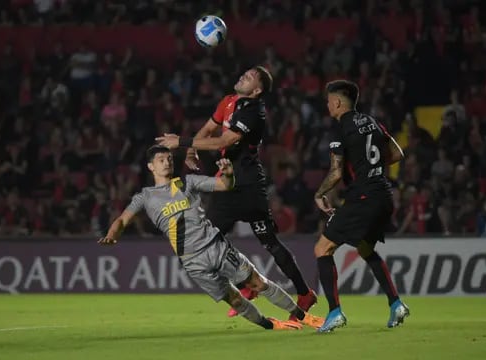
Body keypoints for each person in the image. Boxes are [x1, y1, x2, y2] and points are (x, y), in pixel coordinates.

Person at [155, 66, 319, 321]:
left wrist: (183, 142)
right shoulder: (227, 102)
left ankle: (303, 293)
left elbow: (223, 141)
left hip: (249, 184)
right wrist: (191, 150)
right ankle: (246, 285)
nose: (243, 75)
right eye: (245, 72)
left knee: (268, 242)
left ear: (257, 90)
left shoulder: (255, 111)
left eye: (250, 77)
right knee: (210, 238)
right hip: (227, 183)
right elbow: (209, 129)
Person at [99, 145, 323, 330]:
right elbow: (122, 220)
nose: (167, 162)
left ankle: (302, 316)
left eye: (169, 158)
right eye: (160, 160)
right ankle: (270, 325)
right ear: (150, 166)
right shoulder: (145, 197)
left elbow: (225, 185)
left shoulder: (188, 182)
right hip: (191, 261)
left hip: (215, 246)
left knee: (257, 282)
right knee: (235, 300)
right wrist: (112, 235)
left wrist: (228, 173)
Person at [313, 80, 409, 332]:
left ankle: (334, 312)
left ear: (336, 102)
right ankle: (396, 303)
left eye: (328, 101)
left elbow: (335, 173)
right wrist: (370, 165)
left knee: (322, 249)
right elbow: (397, 154)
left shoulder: (340, 128)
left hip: (363, 198)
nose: (327, 105)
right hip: (384, 196)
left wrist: (319, 193)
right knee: (366, 248)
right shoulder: (372, 122)